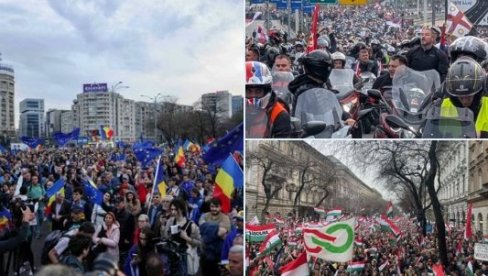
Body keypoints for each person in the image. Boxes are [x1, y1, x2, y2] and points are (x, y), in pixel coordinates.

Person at [288, 50, 356, 127]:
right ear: (318, 68)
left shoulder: (325, 82)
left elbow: (333, 104)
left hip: (329, 127)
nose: (329, 69)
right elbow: (300, 116)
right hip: (310, 131)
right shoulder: (303, 89)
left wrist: (347, 117)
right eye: (327, 67)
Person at [435, 57, 488, 137]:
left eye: (468, 96)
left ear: (477, 92)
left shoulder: (486, 103)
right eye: (461, 97)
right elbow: (435, 131)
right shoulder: (445, 104)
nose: (465, 101)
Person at [245, 61, 291, 138]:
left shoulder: (279, 114)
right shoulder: (239, 112)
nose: (253, 95)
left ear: (266, 91)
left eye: (258, 91)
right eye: (248, 91)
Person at [162, 198, 202, 275]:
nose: (173, 212)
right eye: (172, 209)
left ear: (182, 209)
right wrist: (164, 228)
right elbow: (165, 237)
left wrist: (187, 238)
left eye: (176, 209)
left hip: (185, 258)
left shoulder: (191, 225)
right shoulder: (170, 221)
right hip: (172, 256)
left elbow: (199, 243)